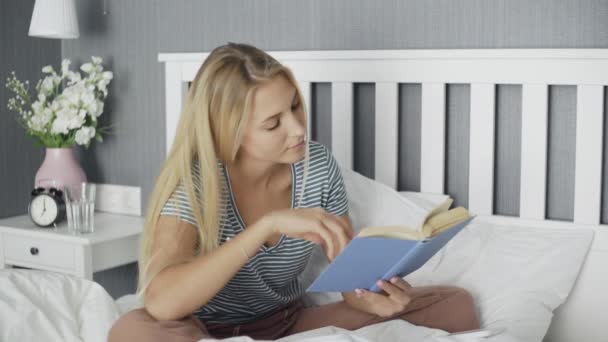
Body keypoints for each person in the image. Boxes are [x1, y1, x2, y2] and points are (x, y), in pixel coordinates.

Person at [108, 42, 480, 342]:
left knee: (455, 305)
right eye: (273, 123)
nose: (298, 128)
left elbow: (348, 276)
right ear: (228, 133)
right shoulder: (195, 184)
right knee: (132, 332)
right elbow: (161, 303)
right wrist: (265, 227)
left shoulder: (316, 167)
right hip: (195, 328)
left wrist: (373, 299)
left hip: (287, 323)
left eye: (295, 106)